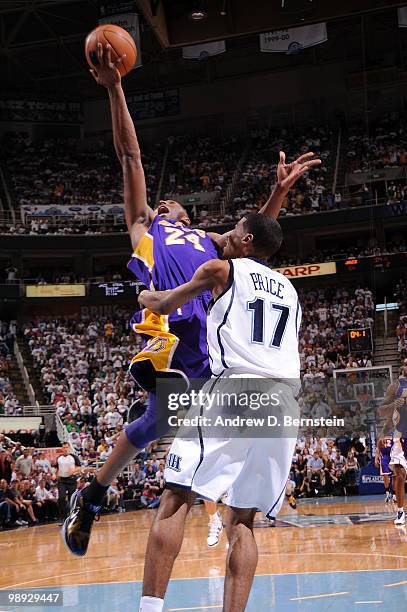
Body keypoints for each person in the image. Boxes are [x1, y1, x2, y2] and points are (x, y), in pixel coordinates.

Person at [63, 42, 320, 557]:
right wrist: (115, 87)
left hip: (216, 348)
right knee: (161, 419)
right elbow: (130, 156)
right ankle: (94, 496)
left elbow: (254, 244)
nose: (166, 201)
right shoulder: (145, 231)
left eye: (174, 202)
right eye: (163, 203)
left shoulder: (209, 241)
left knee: (158, 421)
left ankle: (92, 491)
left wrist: (279, 196)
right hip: (175, 338)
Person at [135, 213, 301, 612]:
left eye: (232, 232)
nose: (222, 237)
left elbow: (162, 302)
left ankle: (149, 608)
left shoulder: (219, 269)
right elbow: (229, 238)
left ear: (245, 240)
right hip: (284, 402)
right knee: (242, 520)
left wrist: (144, 297)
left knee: (176, 494)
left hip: (237, 389)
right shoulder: (291, 290)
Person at [379, 362, 407, 525]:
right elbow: (383, 410)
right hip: (400, 437)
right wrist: (383, 433)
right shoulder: (395, 388)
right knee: (400, 476)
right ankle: (400, 512)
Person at [56, 443, 81, 524]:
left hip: (71, 480)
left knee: (72, 499)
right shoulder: (59, 458)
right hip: (62, 481)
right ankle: (62, 517)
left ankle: (72, 516)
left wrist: (73, 470)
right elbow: (55, 467)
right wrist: (54, 474)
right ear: (62, 449)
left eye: (67, 447)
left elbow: (79, 467)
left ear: (69, 448)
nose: (65, 449)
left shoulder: (73, 457)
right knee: (61, 498)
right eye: (64, 447)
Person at [375, 436, 395, 502]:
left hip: (393, 457)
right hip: (385, 457)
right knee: (385, 476)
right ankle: (388, 494)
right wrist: (376, 458)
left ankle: (394, 495)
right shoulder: (381, 438)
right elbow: (378, 449)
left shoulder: (394, 437)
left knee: (394, 477)